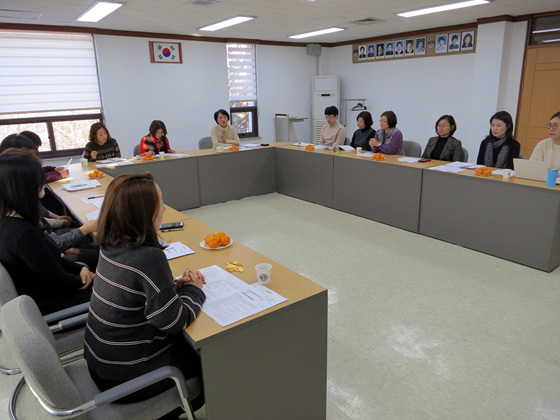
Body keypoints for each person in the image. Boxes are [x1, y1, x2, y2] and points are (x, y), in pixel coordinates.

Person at [83, 172, 206, 416]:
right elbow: (174, 321)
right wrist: (195, 289)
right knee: (210, 359)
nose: (164, 209)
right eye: (160, 204)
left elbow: (136, 292)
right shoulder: (149, 257)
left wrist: (173, 286)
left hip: (101, 365)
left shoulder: (110, 243)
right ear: (144, 214)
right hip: (126, 380)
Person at [0, 152, 93, 315]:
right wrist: (86, 279)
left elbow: (50, 260)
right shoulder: (23, 234)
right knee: (121, 291)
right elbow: (58, 280)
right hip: (52, 304)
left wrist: (79, 270)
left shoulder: (13, 221)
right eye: (38, 179)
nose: (42, 183)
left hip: (51, 291)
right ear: (24, 186)